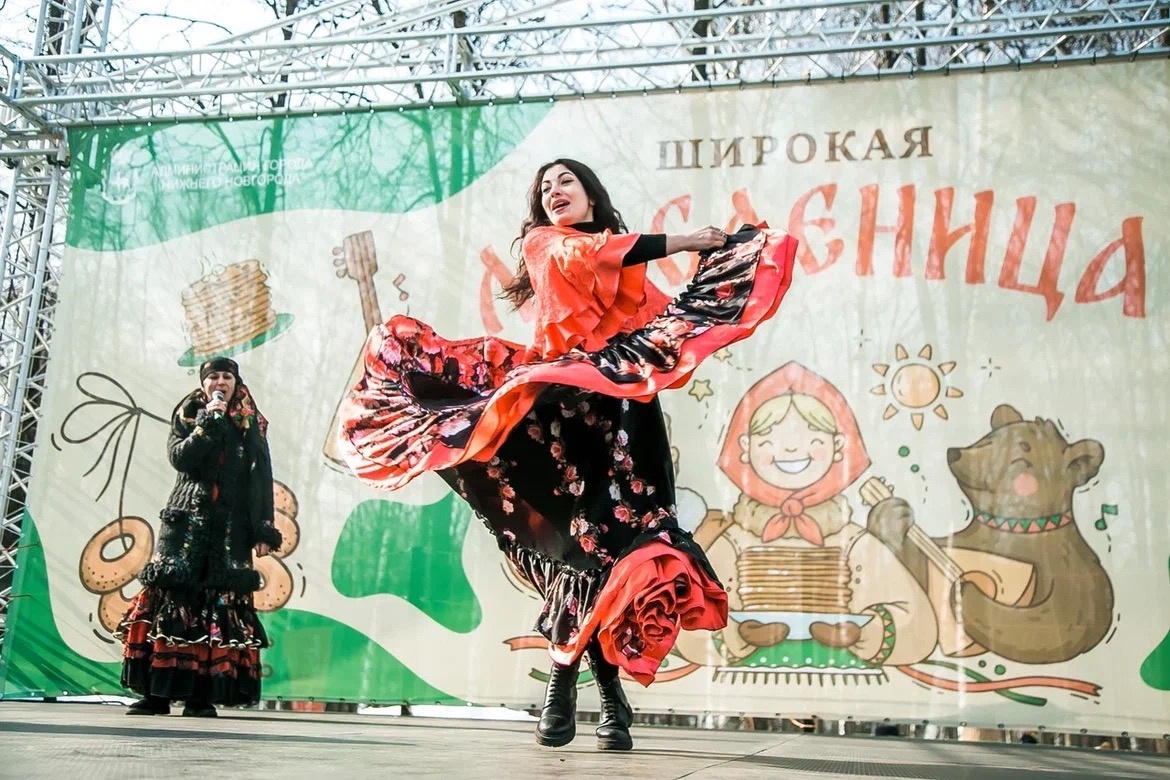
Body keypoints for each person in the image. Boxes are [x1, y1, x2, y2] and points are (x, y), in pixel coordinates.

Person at [338, 158, 798, 750]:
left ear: (591, 196)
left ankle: (593, 695)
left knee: (623, 546)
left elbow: (663, 322)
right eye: (544, 187)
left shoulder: (625, 271)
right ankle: (574, 691)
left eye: (565, 182)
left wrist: (719, 263)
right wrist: (684, 240)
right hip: (567, 408)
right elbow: (587, 255)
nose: (553, 192)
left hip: (628, 413)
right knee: (583, 547)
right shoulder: (545, 243)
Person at [116, 357, 282, 717]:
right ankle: (156, 696)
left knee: (217, 606)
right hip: (185, 525)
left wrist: (263, 529)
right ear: (203, 383)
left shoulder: (250, 423)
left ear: (236, 383)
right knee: (173, 601)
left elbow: (260, 478)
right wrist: (209, 422)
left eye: (227, 377)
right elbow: (181, 459)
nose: (221, 382)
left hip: (230, 531)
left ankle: (200, 698)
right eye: (214, 377)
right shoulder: (189, 414)